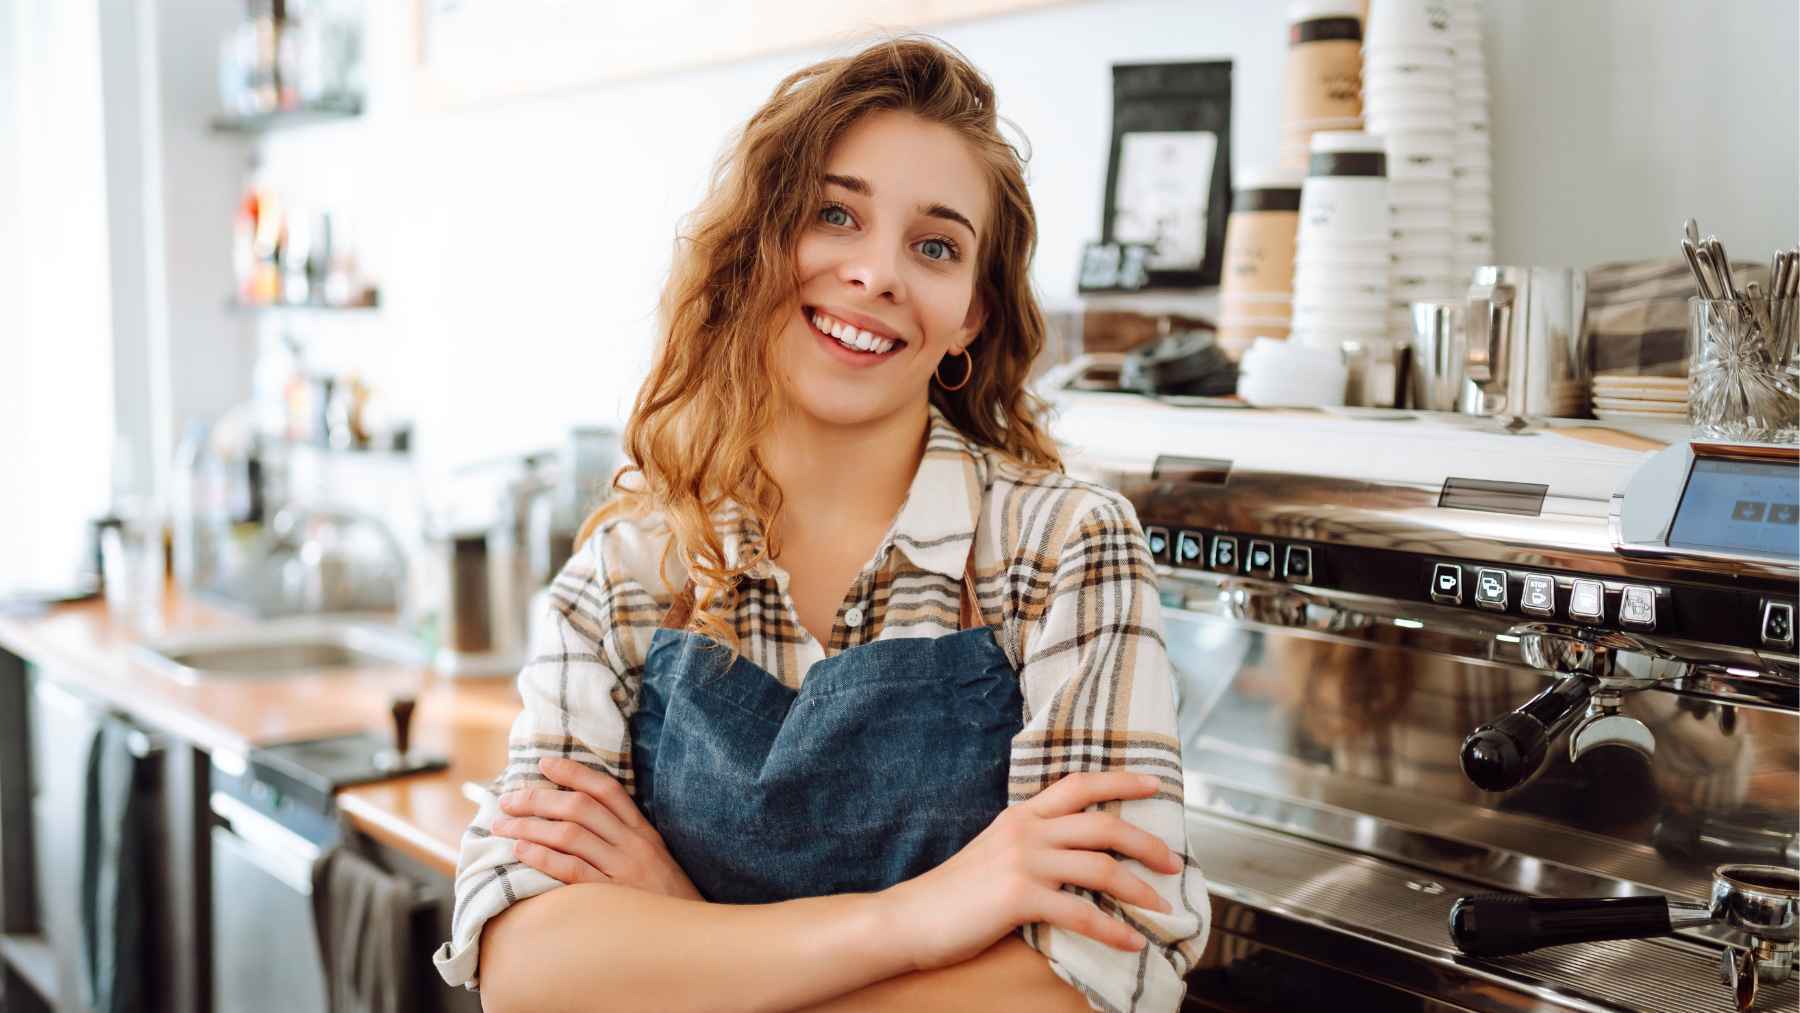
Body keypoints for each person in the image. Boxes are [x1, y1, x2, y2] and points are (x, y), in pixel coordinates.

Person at [433, 36, 1209, 1012]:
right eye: (834, 214)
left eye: (935, 246)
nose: (878, 273)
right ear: (758, 246)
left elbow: (1101, 976)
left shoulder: (1063, 552)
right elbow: (528, 969)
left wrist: (682, 940)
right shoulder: (627, 572)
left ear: (971, 316)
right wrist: (916, 918)